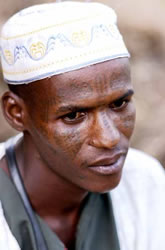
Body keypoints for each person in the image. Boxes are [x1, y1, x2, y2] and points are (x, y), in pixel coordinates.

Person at [0, 1, 164, 250]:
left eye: (119, 103)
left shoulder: (143, 184)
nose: (109, 138)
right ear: (16, 113)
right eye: (74, 115)